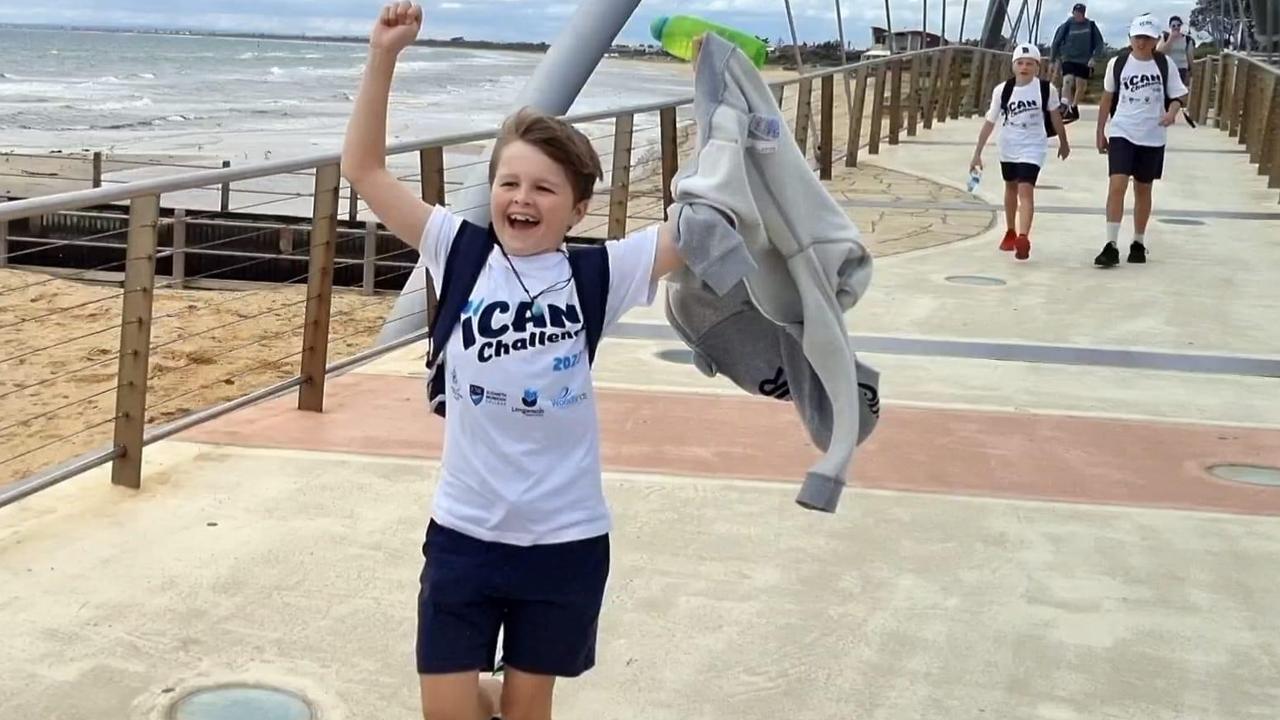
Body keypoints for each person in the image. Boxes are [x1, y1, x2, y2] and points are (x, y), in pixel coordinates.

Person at [340, 3, 685, 719]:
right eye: (509, 182)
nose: (521, 198)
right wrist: (383, 57)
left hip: (564, 540)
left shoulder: (602, 274)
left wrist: (740, 132)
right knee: (448, 710)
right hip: (465, 535)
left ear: (577, 210)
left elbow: (709, 226)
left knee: (529, 710)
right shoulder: (458, 251)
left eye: (543, 188)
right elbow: (365, 170)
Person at [1094, 13, 1189, 267]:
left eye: (1147, 38)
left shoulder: (1164, 64)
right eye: (1137, 37)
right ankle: (1111, 244)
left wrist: (1172, 112)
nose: (1142, 42)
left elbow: (1178, 96)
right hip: (1123, 130)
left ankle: (1138, 241)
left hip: (1152, 134)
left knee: (1143, 188)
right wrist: (1100, 131)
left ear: (1156, 39)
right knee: (1117, 185)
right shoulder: (1119, 63)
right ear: (1130, 38)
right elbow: (1107, 98)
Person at [970, 44, 1071, 261]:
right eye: (1020, 63)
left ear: (1037, 66)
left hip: (1034, 144)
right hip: (1009, 143)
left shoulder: (1046, 89)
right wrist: (977, 152)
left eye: (1029, 63)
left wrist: (1063, 141)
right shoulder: (1003, 90)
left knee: (1026, 188)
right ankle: (1010, 230)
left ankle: (1023, 236)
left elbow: (1054, 116)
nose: (1024, 67)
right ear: (1013, 66)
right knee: (1011, 187)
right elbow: (990, 121)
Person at [1050, 3, 1105, 123]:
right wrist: (1053, 59)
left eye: (1080, 13)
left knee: (1081, 86)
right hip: (1068, 58)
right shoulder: (1067, 25)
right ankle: (1065, 106)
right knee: (1067, 82)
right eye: (1076, 13)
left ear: (1084, 14)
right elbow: (1056, 42)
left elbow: (1100, 43)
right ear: (1073, 13)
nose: (1078, 15)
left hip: (1084, 60)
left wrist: (1094, 58)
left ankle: (1074, 106)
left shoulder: (1090, 25)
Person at [1157, 15, 1197, 87]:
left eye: (1178, 25)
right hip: (1168, 69)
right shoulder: (1165, 37)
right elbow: (1160, 51)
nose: (1176, 27)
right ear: (1170, 27)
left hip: (1182, 68)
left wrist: (1191, 71)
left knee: (1178, 91)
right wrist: (1171, 39)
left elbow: (1190, 56)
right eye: (1173, 26)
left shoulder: (1187, 39)